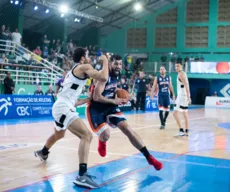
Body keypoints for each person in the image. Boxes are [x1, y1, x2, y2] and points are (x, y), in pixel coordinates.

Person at [34, 47, 109, 189]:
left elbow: (72, 100)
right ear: (82, 58)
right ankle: (82, 175)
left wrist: (86, 99)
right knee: (86, 135)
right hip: (63, 108)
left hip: (61, 105)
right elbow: (103, 77)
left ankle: (43, 152)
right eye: (87, 56)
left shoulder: (71, 72)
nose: (89, 59)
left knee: (59, 134)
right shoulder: (84, 67)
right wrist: (105, 61)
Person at [86, 54, 163, 171]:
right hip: (96, 108)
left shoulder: (116, 75)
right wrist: (114, 100)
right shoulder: (103, 76)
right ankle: (102, 141)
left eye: (120, 64)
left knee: (127, 129)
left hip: (109, 106)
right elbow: (96, 97)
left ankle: (149, 157)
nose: (118, 66)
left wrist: (121, 93)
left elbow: (111, 88)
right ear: (110, 63)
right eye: (116, 64)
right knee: (106, 135)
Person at [173, 63, 191, 136]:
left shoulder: (181, 74)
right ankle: (186, 130)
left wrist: (189, 96)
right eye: (175, 66)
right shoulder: (183, 74)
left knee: (175, 113)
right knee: (185, 114)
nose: (176, 67)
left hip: (182, 96)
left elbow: (186, 85)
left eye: (178, 66)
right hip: (184, 96)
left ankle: (181, 130)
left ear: (181, 67)